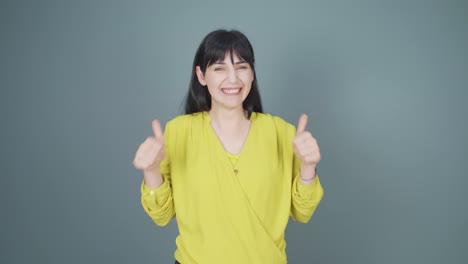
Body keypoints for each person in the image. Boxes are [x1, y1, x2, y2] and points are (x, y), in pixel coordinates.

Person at [133, 29, 324, 264]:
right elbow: (161, 216)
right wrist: (151, 170)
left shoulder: (281, 133)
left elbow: (302, 213)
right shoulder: (178, 132)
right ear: (201, 75)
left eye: (242, 67)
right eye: (219, 68)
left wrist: (308, 166)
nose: (233, 79)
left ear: (252, 74)